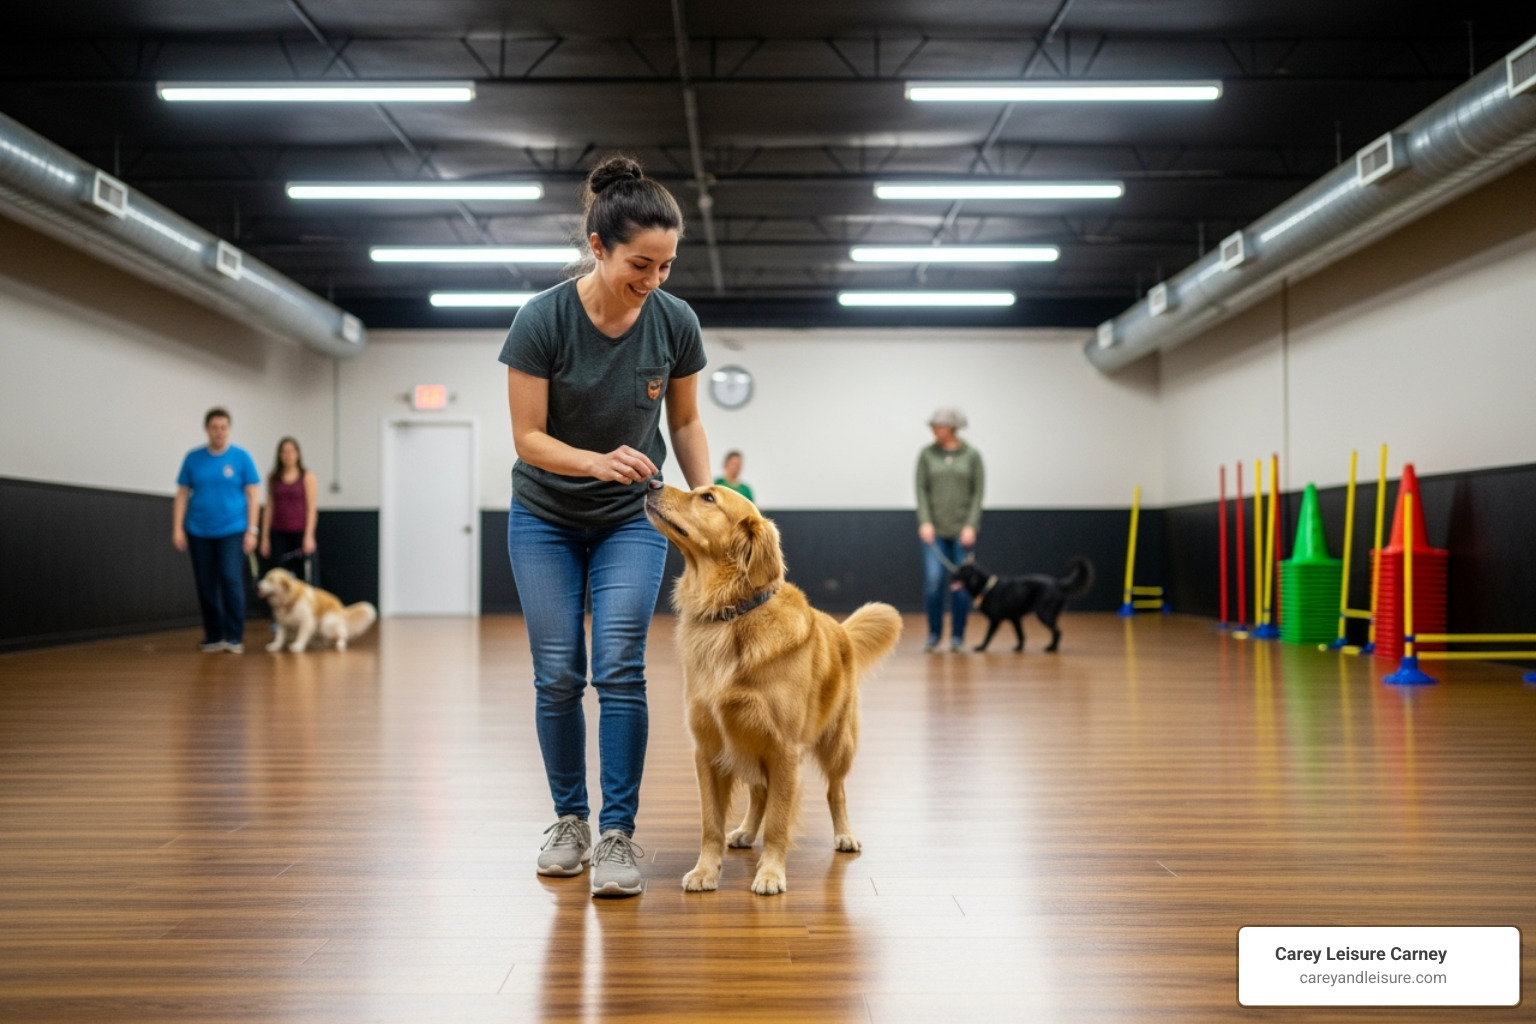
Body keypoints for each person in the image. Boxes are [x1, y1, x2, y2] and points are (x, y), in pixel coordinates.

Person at [501, 155, 712, 898]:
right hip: (546, 517)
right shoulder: (542, 319)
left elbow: (683, 420)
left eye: (666, 266)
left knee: (620, 667)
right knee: (559, 673)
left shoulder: (674, 321)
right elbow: (528, 438)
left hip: (632, 517)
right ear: (598, 246)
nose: (653, 280)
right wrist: (592, 462)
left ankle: (618, 834)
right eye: (639, 264)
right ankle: (570, 821)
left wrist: (708, 496)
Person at [172, 408, 261, 653]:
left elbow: (253, 495)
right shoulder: (193, 458)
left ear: (228, 429)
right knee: (205, 583)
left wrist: (252, 530)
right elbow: (181, 495)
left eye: (223, 427)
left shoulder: (241, 457)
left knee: (230, 578)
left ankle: (234, 636)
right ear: (207, 429)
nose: (219, 432)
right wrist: (178, 528)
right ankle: (214, 635)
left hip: (232, 529)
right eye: (214, 427)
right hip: (198, 530)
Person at [915, 407, 985, 653]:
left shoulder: (972, 456)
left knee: (961, 586)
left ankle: (958, 636)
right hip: (933, 532)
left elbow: (977, 493)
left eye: (939, 426)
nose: (934, 430)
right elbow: (921, 490)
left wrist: (970, 525)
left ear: (952, 428)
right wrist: (925, 521)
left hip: (961, 533)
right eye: (933, 426)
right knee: (934, 582)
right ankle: (934, 634)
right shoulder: (926, 455)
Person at [259, 437, 319, 583]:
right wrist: (265, 537)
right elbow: (269, 507)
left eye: (291, 451)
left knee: (304, 578)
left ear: (297, 454)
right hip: (278, 533)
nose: (288, 455)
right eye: (284, 452)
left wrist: (309, 536)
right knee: (279, 577)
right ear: (279, 455)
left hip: (299, 532)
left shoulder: (307, 476)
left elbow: (312, 508)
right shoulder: (273, 477)